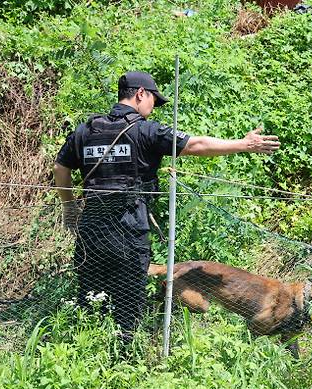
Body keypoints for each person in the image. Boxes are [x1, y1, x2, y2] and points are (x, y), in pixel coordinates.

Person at [54, 71, 280, 341]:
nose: (152, 109)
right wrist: (243, 145)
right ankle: (123, 356)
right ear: (140, 94)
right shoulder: (145, 130)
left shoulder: (86, 130)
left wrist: (69, 208)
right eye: (153, 100)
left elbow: (61, 167)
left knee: (91, 296)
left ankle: (87, 349)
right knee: (128, 299)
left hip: (92, 229)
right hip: (128, 229)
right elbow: (196, 144)